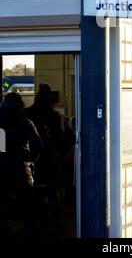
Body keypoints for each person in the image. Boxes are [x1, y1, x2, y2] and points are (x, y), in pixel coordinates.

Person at [25, 84, 73, 235]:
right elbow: (63, 140)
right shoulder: (55, 116)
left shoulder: (26, 114)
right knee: (53, 194)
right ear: (50, 99)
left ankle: (32, 227)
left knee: (33, 197)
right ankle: (56, 225)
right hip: (51, 161)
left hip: (32, 162)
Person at [0, 92, 42, 237]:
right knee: (28, 206)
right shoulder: (26, 123)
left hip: (1, 170)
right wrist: (31, 159)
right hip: (21, 169)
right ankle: (30, 232)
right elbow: (38, 144)